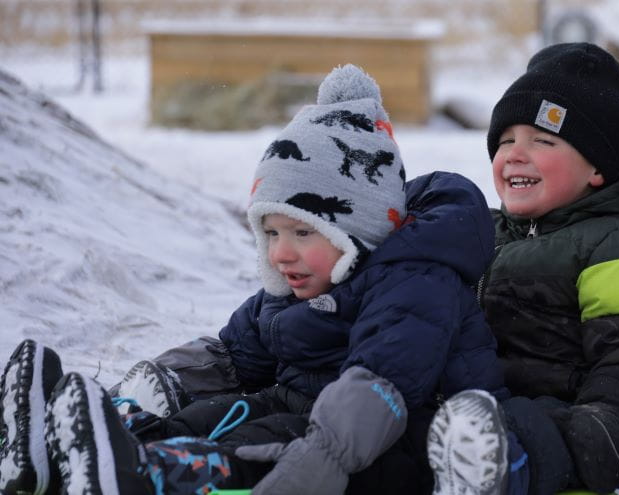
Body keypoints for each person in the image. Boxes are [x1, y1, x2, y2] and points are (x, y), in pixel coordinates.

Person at [0, 64, 507, 495]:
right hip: (301, 407)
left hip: (388, 442)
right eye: (271, 231)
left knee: (251, 444)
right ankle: (71, 449)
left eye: (304, 231)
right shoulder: (297, 286)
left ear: (362, 230)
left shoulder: (414, 282)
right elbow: (232, 354)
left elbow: (380, 386)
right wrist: (161, 387)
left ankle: (144, 476)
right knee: (206, 418)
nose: (281, 252)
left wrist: (321, 458)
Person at [426, 43, 619, 495]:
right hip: (465, 405)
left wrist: (602, 422)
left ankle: (495, 471)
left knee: (522, 426)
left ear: (596, 169)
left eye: (542, 141)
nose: (516, 155)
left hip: (558, 416)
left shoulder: (616, 243)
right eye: (505, 141)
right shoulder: (480, 230)